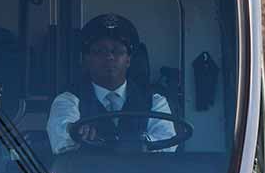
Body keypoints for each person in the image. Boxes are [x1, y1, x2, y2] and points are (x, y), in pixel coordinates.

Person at [47, 13, 177, 154]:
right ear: (86, 60)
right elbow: (62, 139)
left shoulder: (155, 101)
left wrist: (136, 143)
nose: (109, 57)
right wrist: (75, 131)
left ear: (128, 60)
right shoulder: (67, 100)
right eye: (99, 51)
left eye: (117, 51)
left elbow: (166, 144)